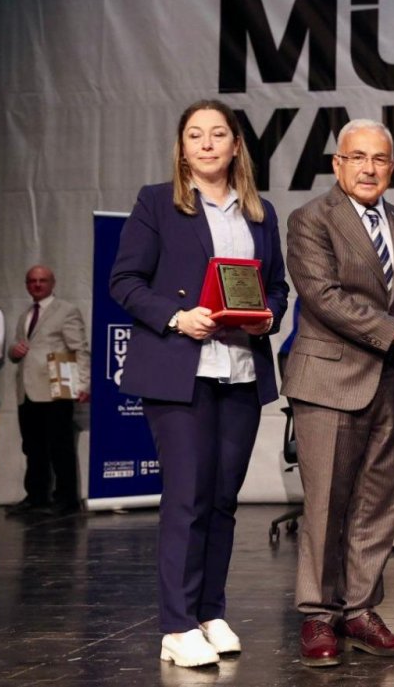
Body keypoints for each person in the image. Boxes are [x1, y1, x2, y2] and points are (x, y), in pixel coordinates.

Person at [110, 99, 289, 668]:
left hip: (240, 371)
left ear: (236, 145)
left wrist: (268, 317)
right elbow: (125, 280)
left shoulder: (260, 213)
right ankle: (177, 625)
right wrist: (175, 317)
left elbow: (277, 287)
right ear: (182, 148)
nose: (207, 143)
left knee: (222, 501)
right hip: (179, 370)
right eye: (195, 135)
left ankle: (210, 612)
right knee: (186, 499)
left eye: (217, 134)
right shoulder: (157, 202)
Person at [282, 119, 394, 668]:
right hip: (329, 380)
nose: (369, 168)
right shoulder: (311, 219)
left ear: (392, 167)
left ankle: (359, 610)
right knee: (327, 504)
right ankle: (318, 615)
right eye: (358, 157)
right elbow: (323, 296)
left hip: (389, 383)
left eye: (379, 159)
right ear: (338, 163)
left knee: (377, 504)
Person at [8, 265, 90, 515]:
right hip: (27, 389)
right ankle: (36, 496)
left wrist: (83, 383)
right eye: (32, 281)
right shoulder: (25, 314)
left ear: (52, 283)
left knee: (60, 446)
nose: (37, 285)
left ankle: (66, 499)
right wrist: (14, 352)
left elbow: (80, 349)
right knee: (32, 447)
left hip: (56, 387)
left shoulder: (66, 310)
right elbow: (21, 350)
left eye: (42, 280)